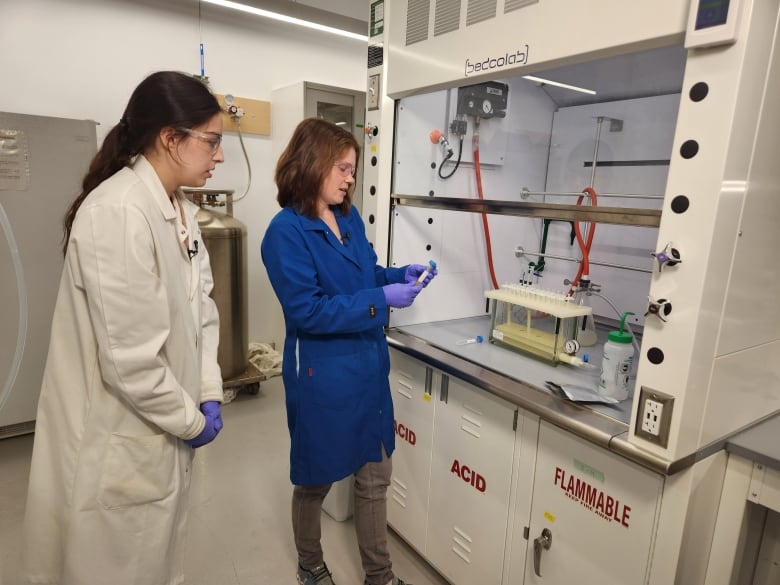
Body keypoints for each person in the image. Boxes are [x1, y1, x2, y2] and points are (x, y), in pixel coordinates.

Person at [21, 71, 226, 585]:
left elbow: (202, 309)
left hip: (160, 425)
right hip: (119, 437)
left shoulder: (179, 211)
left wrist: (207, 390)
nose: (219, 156)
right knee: (116, 566)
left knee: (154, 558)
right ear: (170, 139)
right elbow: (129, 362)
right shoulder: (118, 212)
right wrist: (192, 421)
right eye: (212, 141)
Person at [261, 117, 437, 585]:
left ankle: (379, 577)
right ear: (311, 164)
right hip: (323, 374)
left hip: (366, 366)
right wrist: (381, 301)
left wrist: (396, 276)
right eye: (342, 168)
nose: (350, 178)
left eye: (353, 170)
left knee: (375, 476)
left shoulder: (349, 217)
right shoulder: (285, 233)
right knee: (316, 478)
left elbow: (365, 274)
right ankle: (310, 564)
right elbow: (309, 311)